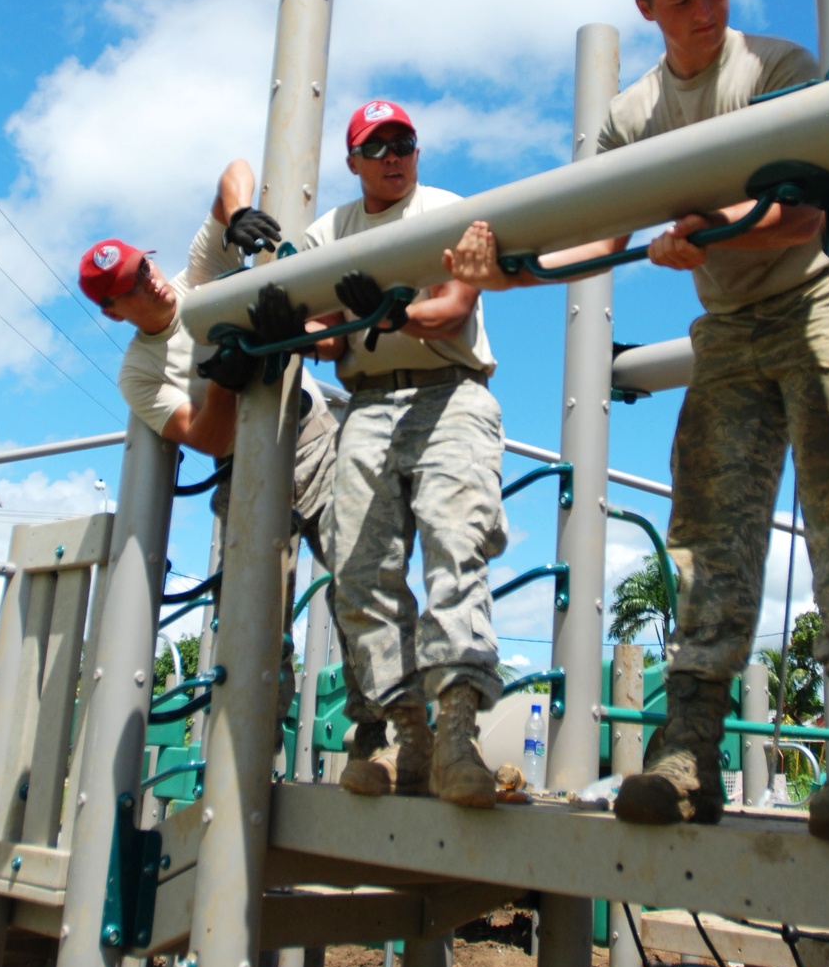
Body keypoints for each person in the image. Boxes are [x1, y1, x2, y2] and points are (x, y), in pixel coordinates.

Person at [446, 0, 829, 840]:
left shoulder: (778, 68)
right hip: (733, 329)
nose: (708, 11)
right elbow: (601, 232)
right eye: (685, 1)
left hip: (817, 304)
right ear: (647, 9)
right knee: (708, 532)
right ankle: (688, 754)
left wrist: (709, 229)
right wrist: (505, 270)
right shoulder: (636, 115)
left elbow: (803, 213)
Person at [300, 100, 507, 809]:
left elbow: (452, 308)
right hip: (367, 402)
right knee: (356, 565)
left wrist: (388, 314)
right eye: (377, 145)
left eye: (405, 142)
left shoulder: (449, 210)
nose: (394, 155)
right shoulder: (329, 232)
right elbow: (325, 335)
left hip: (450, 391)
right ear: (353, 160)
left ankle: (457, 734)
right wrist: (297, 327)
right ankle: (402, 732)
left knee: (455, 545)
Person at [77, 158, 337, 570]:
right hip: (244, 466)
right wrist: (224, 384)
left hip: (310, 440)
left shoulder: (201, 275)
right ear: (113, 313)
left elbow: (235, 172)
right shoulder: (139, 373)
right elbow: (209, 439)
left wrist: (236, 215)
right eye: (132, 285)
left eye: (144, 266)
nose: (150, 281)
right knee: (252, 614)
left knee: (363, 580)